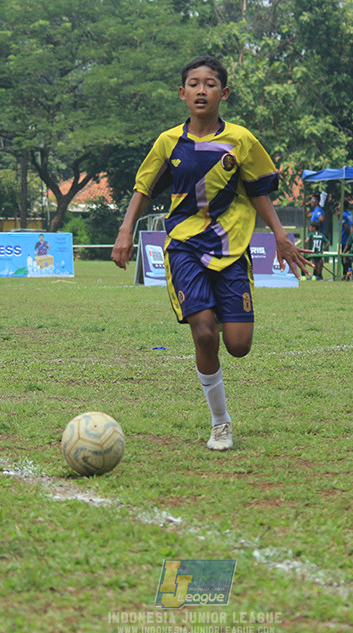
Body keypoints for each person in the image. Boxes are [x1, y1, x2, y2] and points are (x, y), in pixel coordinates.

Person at [110, 56, 311, 451]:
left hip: (232, 249)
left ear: (224, 92)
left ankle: (216, 310)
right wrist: (125, 230)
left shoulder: (242, 140)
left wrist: (281, 237)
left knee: (237, 346)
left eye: (210, 84)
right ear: (182, 92)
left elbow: (259, 191)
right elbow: (143, 187)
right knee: (203, 333)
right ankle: (220, 422)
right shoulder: (169, 142)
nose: (202, 90)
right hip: (184, 246)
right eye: (194, 83)